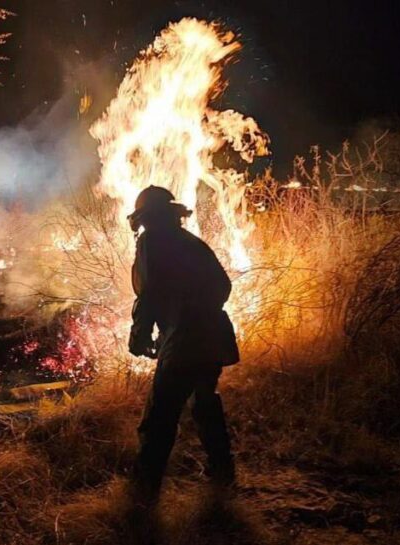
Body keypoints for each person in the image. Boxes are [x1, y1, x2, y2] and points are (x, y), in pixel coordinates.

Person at [126, 185, 240, 506]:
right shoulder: (193, 243)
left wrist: (141, 335)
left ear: (148, 218)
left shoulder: (153, 242)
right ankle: (223, 474)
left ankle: (142, 496)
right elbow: (223, 286)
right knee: (204, 404)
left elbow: (148, 293)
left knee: (160, 416)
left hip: (185, 343)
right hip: (213, 337)